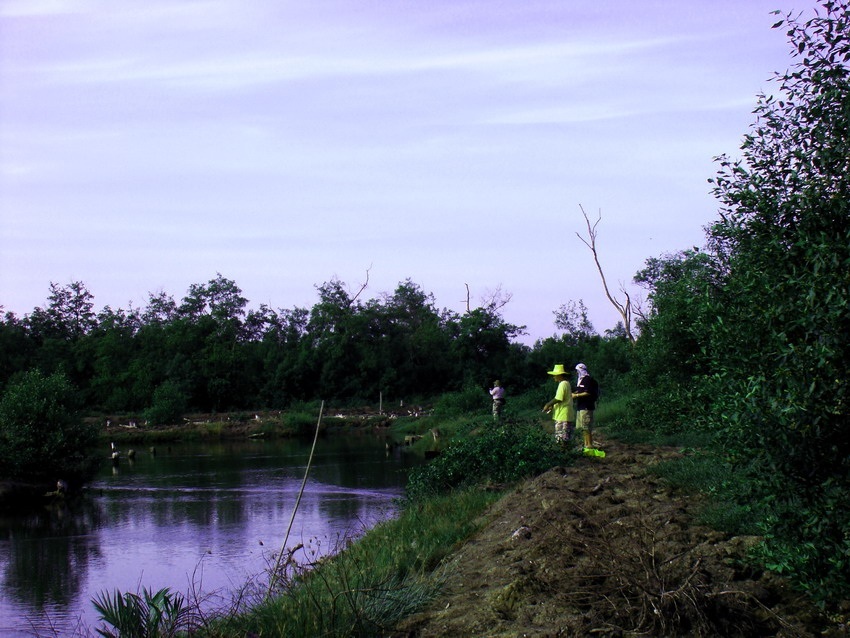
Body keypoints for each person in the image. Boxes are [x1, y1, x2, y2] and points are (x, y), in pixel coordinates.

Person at [542, 364, 576, 444]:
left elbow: (558, 398)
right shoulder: (566, 383)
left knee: (561, 439)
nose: (554, 377)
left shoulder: (563, 384)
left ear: (560, 375)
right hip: (565, 414)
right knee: (566, 437)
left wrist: (548, 404)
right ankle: (567, 453)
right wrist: (553, 406)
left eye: (555, 375)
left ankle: (564, 454)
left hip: (562, 415)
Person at [572, 362, 600, 448]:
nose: (577, 373)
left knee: (586, 427)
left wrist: (576, 395)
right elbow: (581, 391)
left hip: (586, 407)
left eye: (577, 371)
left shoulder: (587, 379)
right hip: (580, 406)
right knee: (582, 428)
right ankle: (586, 444)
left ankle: (589, 445)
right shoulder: (581, 380)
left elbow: (587, 392)